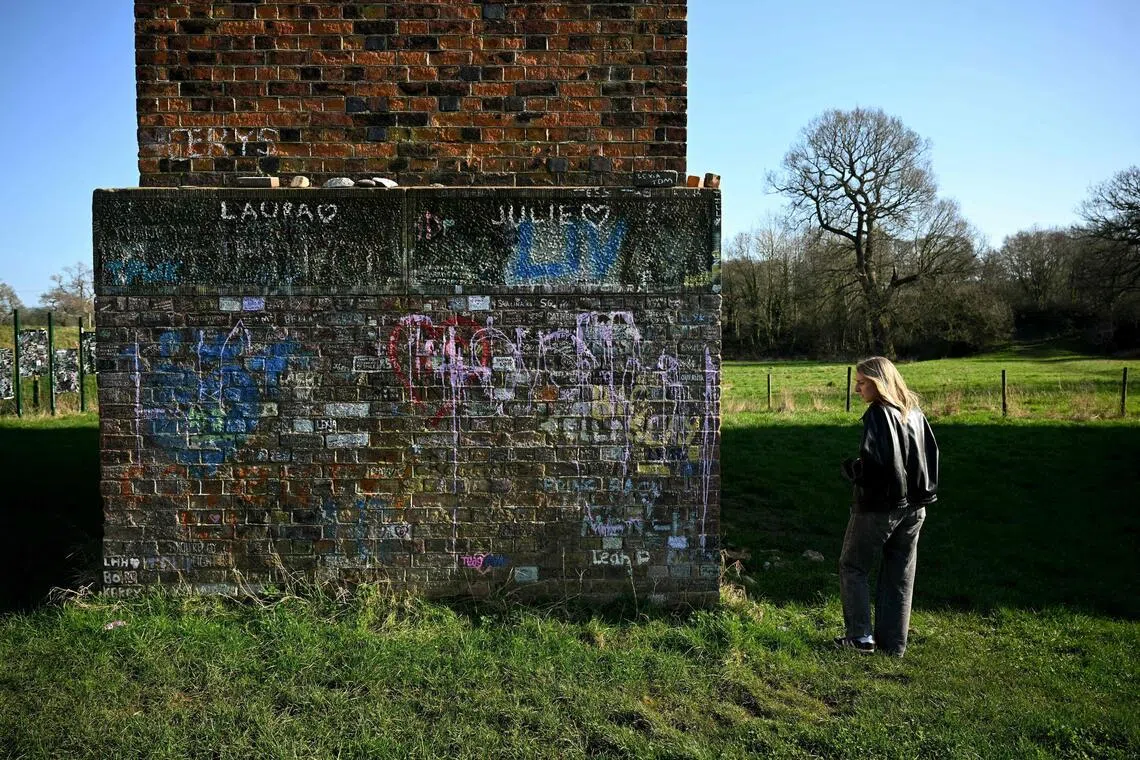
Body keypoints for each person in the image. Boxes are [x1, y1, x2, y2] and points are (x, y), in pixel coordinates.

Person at [835, 356, 939, 656]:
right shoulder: (915, 412)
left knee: (852, 566)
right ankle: (893, 645)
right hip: (916, 507)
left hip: (881, 506)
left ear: (879, 383)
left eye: (862, 383)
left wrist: (854, 470)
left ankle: (859, 637)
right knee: (900, 575)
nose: (857, 389)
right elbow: (930, 457)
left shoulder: (878, 414)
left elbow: (878, 466)